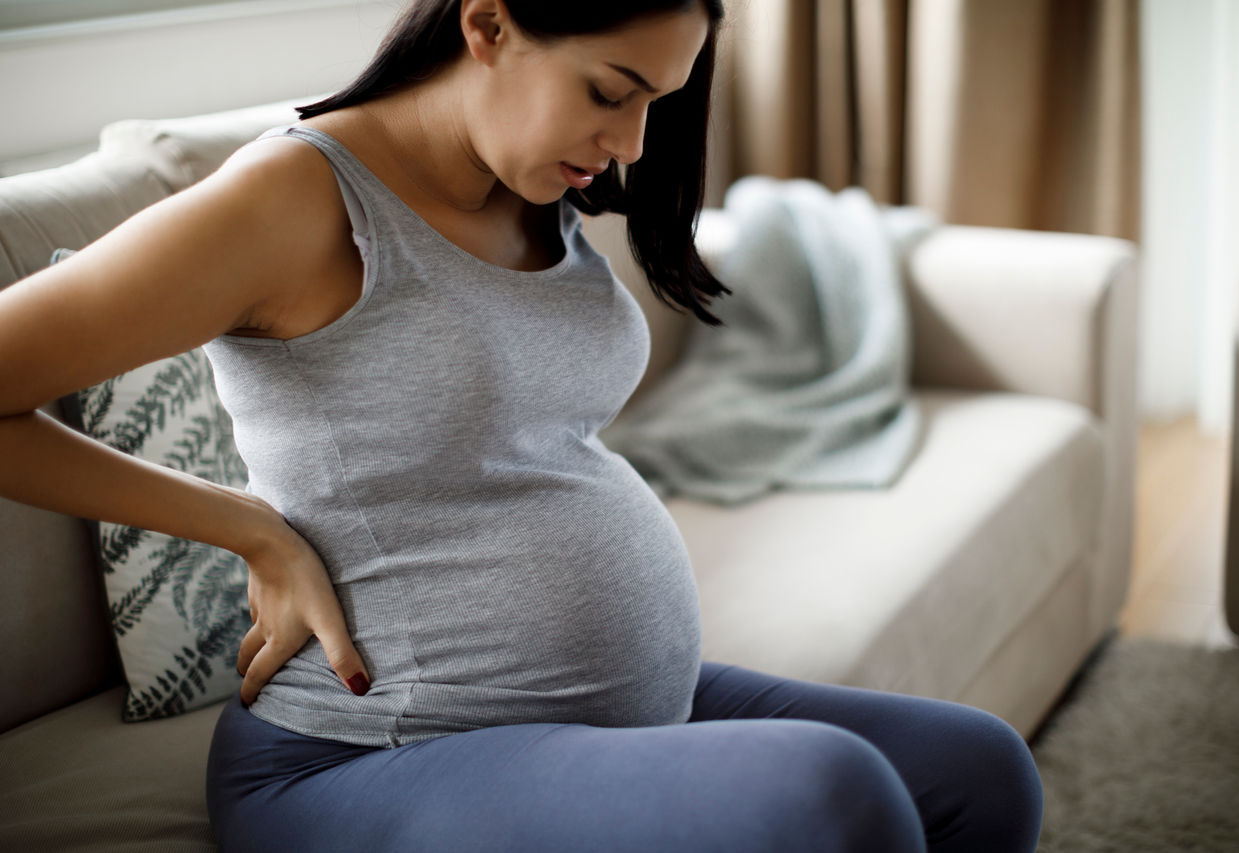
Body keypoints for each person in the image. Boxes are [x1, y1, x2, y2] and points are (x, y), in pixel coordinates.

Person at [0, 0, 1043, 849]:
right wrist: (249, 525)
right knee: (830, 794)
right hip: (370, 752)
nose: (630, 142)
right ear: (488, 24)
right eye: (608, 93)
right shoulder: (296, 200)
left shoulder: (530, 180)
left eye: (654, 104)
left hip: (583, 712)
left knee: (978, 772)